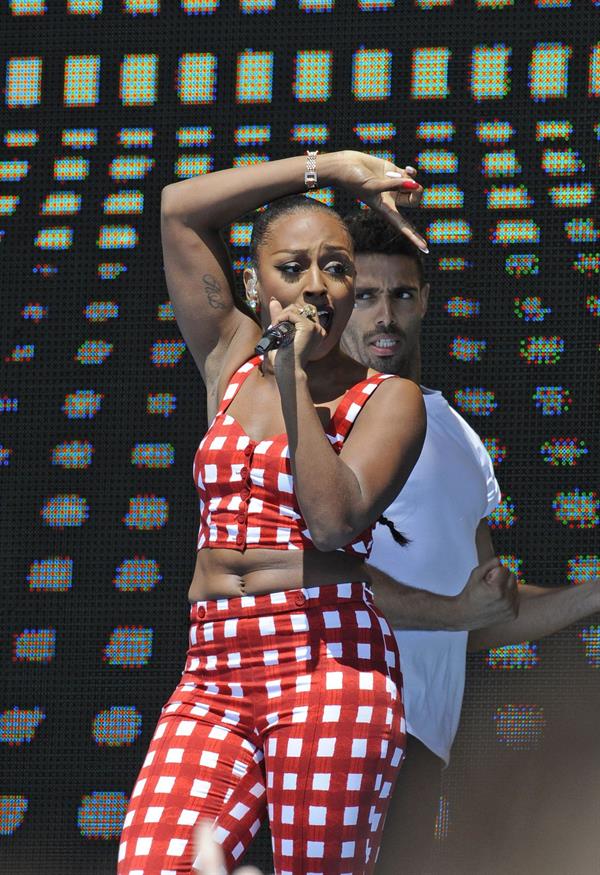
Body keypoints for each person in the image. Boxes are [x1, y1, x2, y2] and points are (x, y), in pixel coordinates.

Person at [117, 150, 516, 875]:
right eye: (292, 267)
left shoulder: (385, 397)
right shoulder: (228, 353)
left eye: (335, 267)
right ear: (252, 283)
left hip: (328, 660)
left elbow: (335, 521)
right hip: (213, 667)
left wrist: (291, 371)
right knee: (154, 862)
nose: (315, 285)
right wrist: (326, 167)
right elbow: (178, 206)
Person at [340, 208, 600, 875]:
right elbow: (309, 580)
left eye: (401, 294)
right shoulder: (314, 421)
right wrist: (457, 612)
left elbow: (482, 614)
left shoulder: (455, 432)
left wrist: (594, 592)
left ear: (424, 298)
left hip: (424, 743)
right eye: (365, 296)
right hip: (335, 723)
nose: (386, 316)